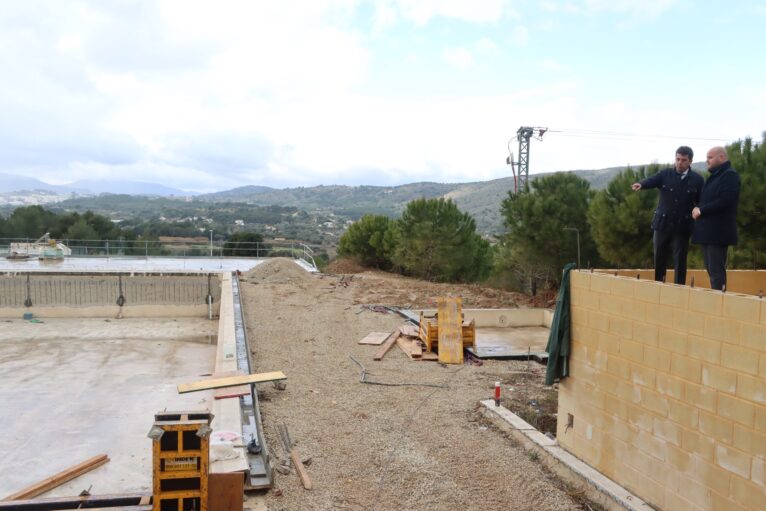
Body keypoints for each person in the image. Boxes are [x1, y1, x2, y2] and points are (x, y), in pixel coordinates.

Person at [631, 146, 703, 284]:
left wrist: (699, 208)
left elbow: (701, 199)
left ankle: (679, 288)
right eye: (677, 159)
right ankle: (659, 285)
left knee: (680, 259)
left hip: (682, 226)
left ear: (690, 161)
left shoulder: (697, 179)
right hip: (662, 224)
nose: (680, 162)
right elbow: (653, 180)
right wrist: (641, 184)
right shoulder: (665, 174)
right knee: (659, 257)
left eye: (683, 160)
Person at [691, 146, 741, 290]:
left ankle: (720, 302)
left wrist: (702, 210)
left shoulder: (729, 175)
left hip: (718, 231)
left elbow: (726, 200)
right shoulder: (715, 176)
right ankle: (717, 297)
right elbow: (707, 199)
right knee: (711, 269)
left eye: (710, 157)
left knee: (716, 271)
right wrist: (697, 207)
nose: (707, 161)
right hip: (708, 231)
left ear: (721, 157)